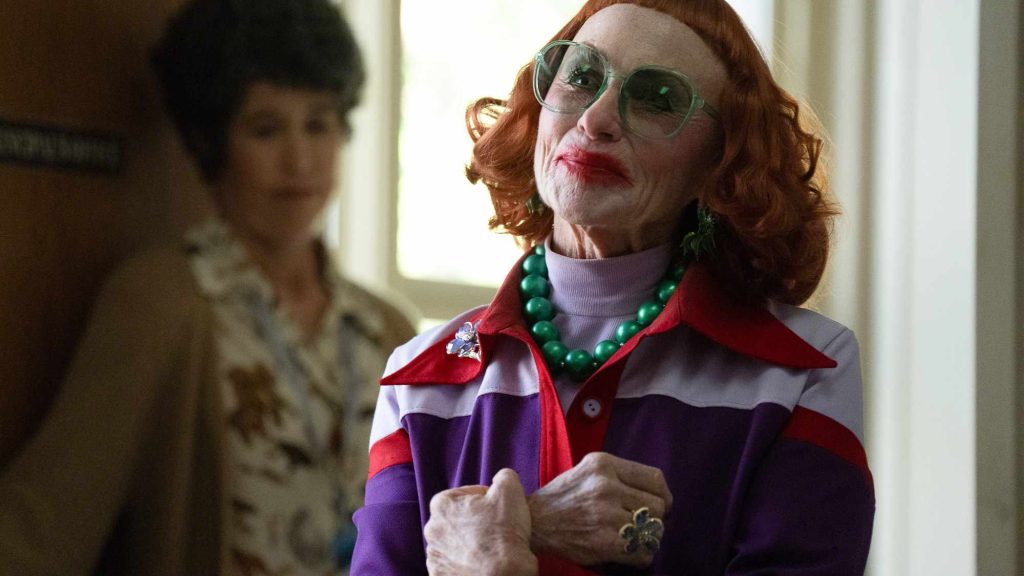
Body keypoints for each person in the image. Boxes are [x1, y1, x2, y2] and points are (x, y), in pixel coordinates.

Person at [351, 0, 874, 574]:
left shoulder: (804, 371)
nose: (597, 119)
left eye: (658, 99)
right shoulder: (418, 379)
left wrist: (503, 538)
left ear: (720, 163)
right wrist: (532, 523)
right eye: (580, 76)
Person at [0, 0, 415, 574]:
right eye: (266, 129)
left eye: (318, 124)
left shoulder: (387, 328)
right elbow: (49, 518)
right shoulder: (161, 301)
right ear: (211, 142)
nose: (300, 160)